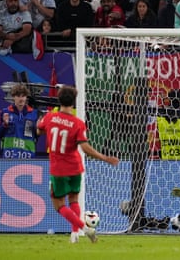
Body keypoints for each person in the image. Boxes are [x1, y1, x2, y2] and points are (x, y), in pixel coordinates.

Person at [37, 86, 119, 243]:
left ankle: (84, 228)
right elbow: (84, 147)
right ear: (74, 102)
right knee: (73, 199)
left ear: (59, 100)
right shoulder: (78, 123)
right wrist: (104, 157)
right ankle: (74, 234)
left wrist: (40, 123)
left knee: (59, 205)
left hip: (58, 170)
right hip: (75, 168)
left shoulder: (49, 118)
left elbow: (39, 130)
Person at [0, 84, 39, 159]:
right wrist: (5, 124)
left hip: (28, 156)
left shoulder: (34, 113)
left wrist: (38, 128)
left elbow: (36, 135)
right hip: (9, 157)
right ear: (13, 97)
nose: (21, 99)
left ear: (26, 97)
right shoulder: (5, 112)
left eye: (23, 96)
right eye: (18, 96)